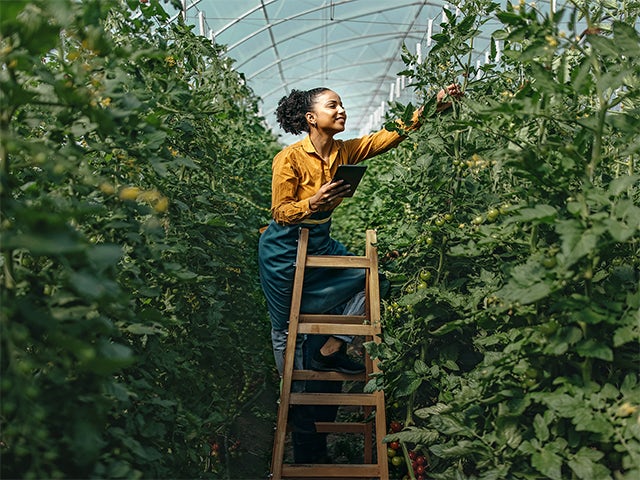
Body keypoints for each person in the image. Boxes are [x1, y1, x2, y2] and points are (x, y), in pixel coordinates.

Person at [259, 84, 461, 463]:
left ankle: (332, 346)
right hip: (285, 252)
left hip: (320, 243)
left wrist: (431, 108)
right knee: (291, 337)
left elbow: (389, 136)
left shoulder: (344, 151)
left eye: (341, 104)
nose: (341, 110)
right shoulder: (288, 159)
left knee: (374, 278)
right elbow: (279, 212)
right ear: (310, 117)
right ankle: (308, 451)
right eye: (332, 105)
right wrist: (312, 202)